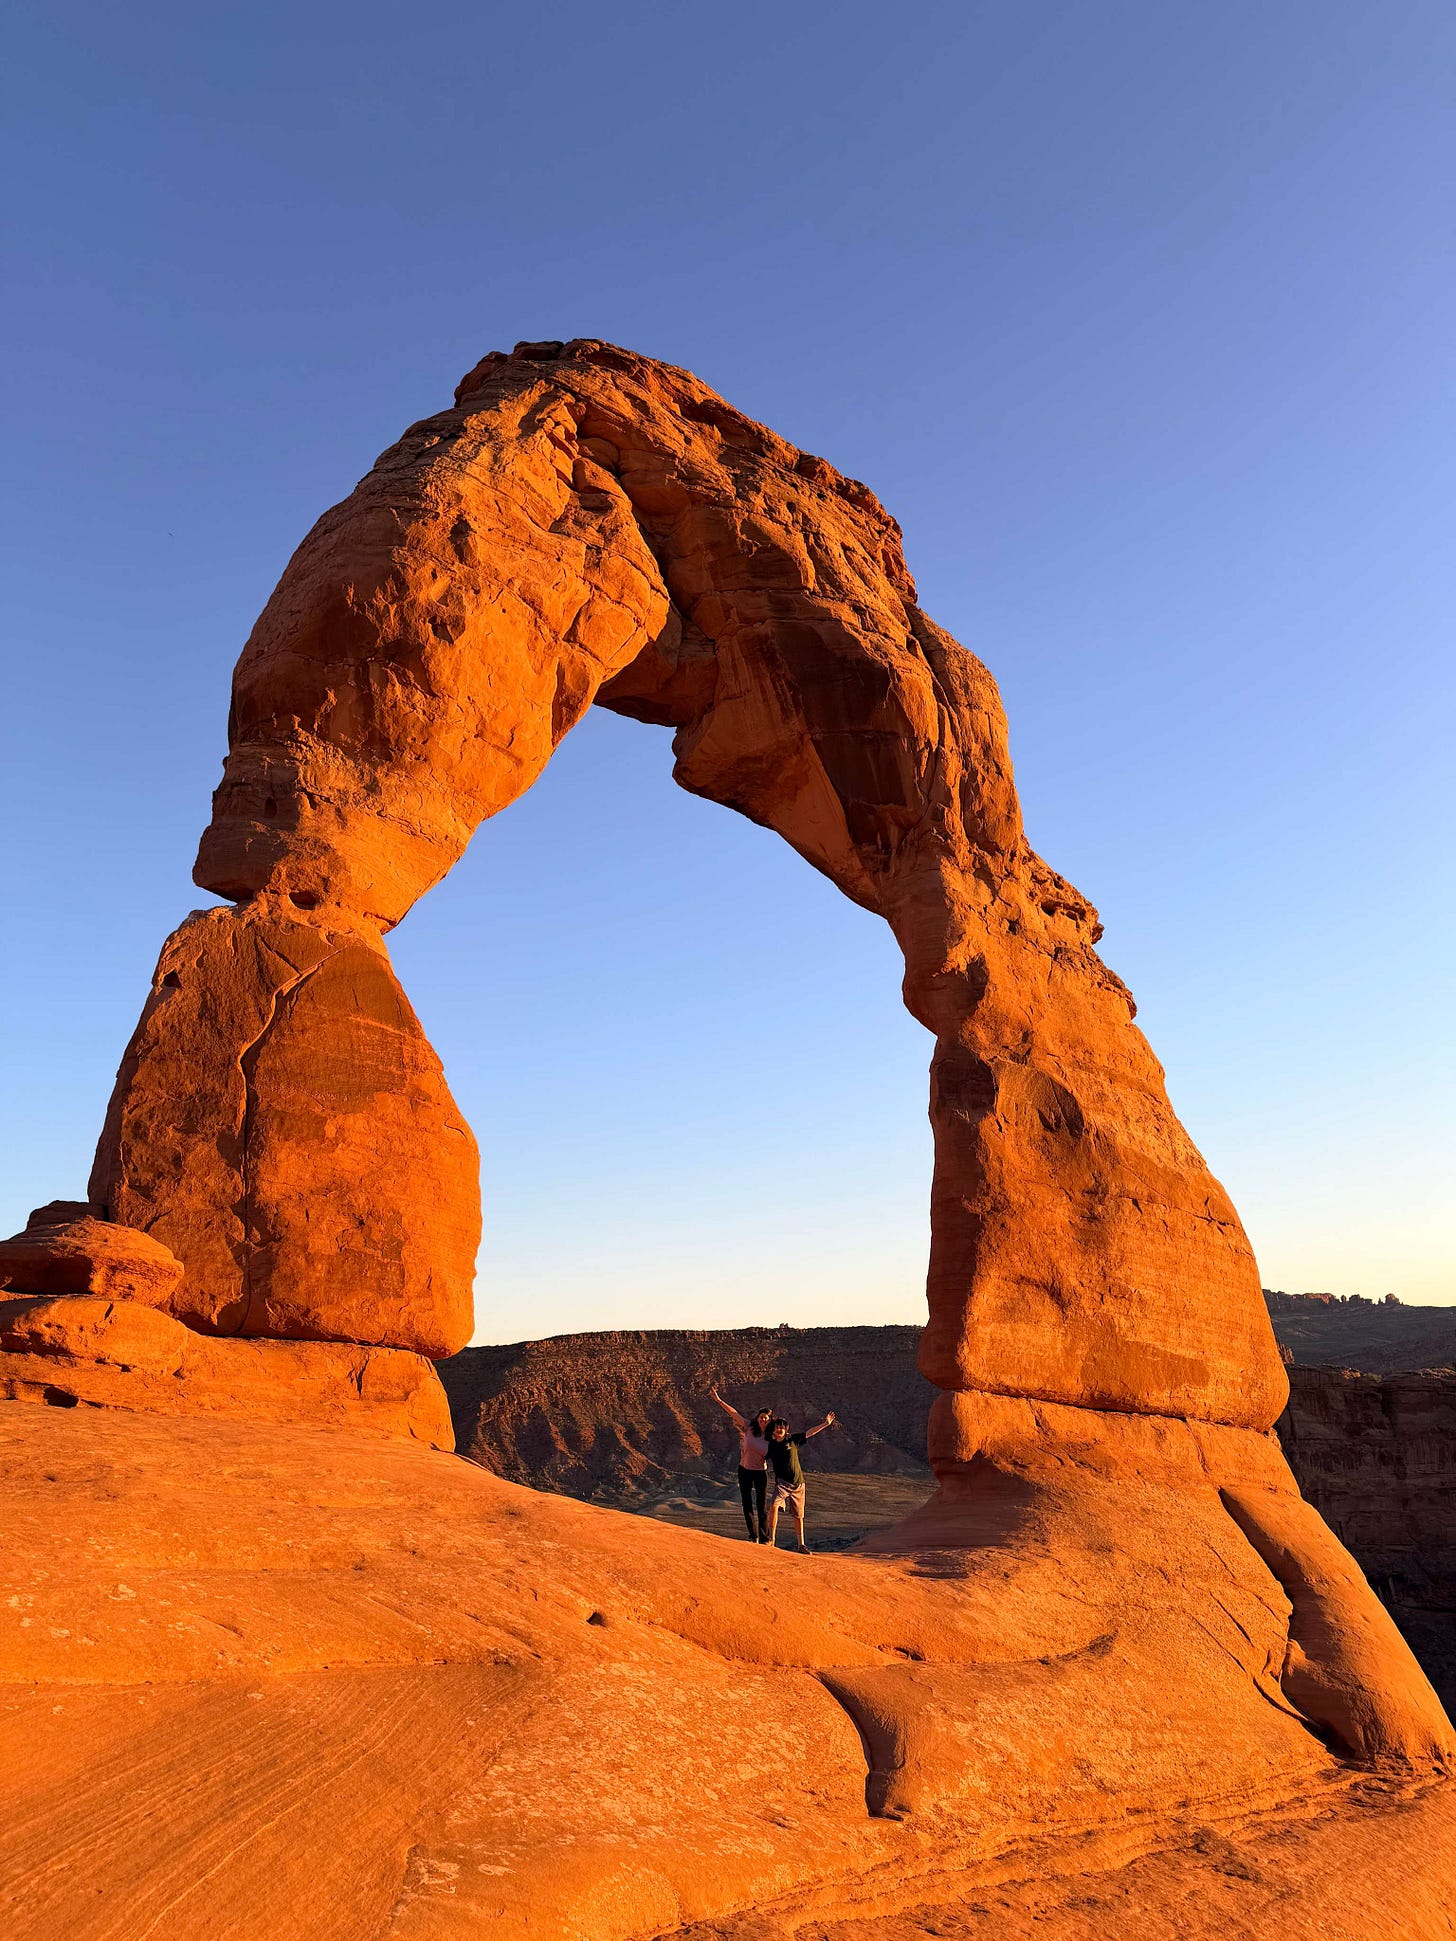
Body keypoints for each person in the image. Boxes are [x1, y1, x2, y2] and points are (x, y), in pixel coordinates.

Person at [708, 1384, 774, 1542]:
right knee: (747, 1505)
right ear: (757, 1418)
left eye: (766, 1417)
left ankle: (765, 1538)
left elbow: (790, 1439)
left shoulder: (771, 1436)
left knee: (762, 1507)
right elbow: (733, 1413)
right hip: (744, 1470)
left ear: (769, 1420)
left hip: (760, 1473)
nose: (763, 1419)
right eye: (761, 1416)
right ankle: (753, 1536)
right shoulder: (749, 1427)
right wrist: (718, 1400)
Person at [765, 1411, 836, 1554]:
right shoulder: (770, 1445)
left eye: (782, 1427)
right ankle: (771, 1540)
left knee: (798, 1516)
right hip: (782, 1484)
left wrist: (825, 1424)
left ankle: (801, 1545)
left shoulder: (792, 1440)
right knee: (773, 1505)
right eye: (777, 1427)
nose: (779, 1429)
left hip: (798, 1484)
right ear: (773, 1430)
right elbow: (760, 1455)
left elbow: (809, 1433)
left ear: (786, 1430)